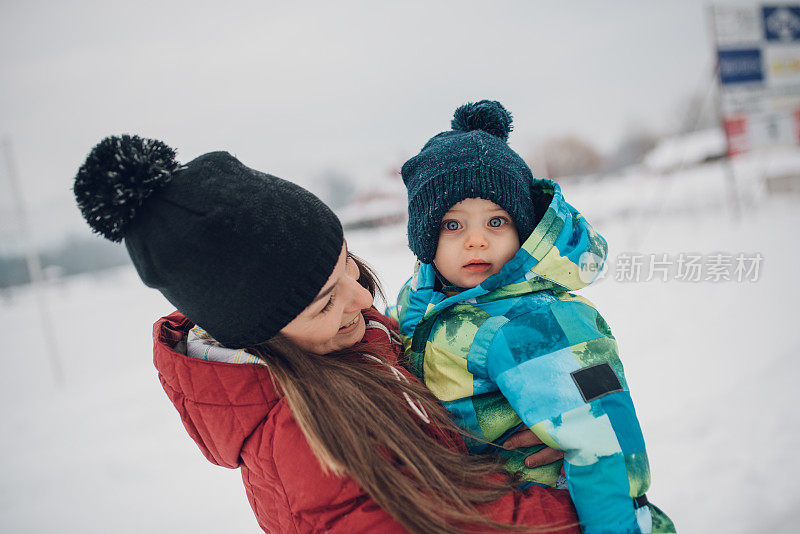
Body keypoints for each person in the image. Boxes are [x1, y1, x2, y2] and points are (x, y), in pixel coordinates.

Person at [72, 134, 580, 534]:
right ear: (259, 336)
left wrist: (509, 434)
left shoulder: (349, 343)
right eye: (324, 301)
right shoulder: (305, 448)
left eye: (348, 268)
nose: (363, 299)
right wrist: (577, 509)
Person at [391, 101, 676, 534]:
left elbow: (603, 439)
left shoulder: (538, 321)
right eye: (453, 226)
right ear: (425, 238)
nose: (476, 242)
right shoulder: (424, 302)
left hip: (555, 511)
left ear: (521, 231)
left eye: (496, 222)